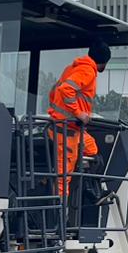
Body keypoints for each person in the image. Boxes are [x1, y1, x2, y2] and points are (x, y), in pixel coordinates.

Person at [47, 44, 110, 198]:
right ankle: (60, 218)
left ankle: (92, 191)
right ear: (104, 62)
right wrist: (78, 113)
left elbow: (54, 92)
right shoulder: (87, 70)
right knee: (63, 176)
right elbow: (65, 90)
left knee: (93, 151)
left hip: (73, 128)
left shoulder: (72, 68)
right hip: (65, 130)